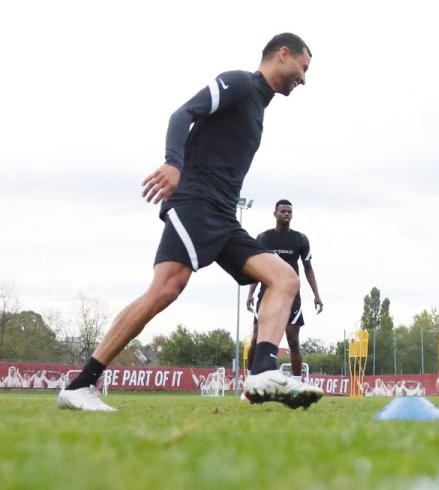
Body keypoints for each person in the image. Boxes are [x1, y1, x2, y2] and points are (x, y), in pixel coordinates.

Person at [58, 34, 323, 411]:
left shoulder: (258, 109)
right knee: (166, 288)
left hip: (224, 218)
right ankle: (80, 385)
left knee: (285, 279)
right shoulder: (241, 83)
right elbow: (183, 114)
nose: (304, 78)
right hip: (196, 204)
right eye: (304, 68)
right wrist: (173, 163)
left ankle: (264, 371)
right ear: (283, 55)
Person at [245, 200, 324, 378]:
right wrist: (250, 293)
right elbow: (258, 267)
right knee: (257, 338)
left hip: (291, 295)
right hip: (267, 292)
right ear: (275, 214)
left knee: (293, 340)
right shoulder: (264, 238)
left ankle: (296, 383)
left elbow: (308, 268)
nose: (286, 214)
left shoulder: (300, 239)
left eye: (289, 211)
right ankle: (250, 380)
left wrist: (316, 295)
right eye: (283, 211)